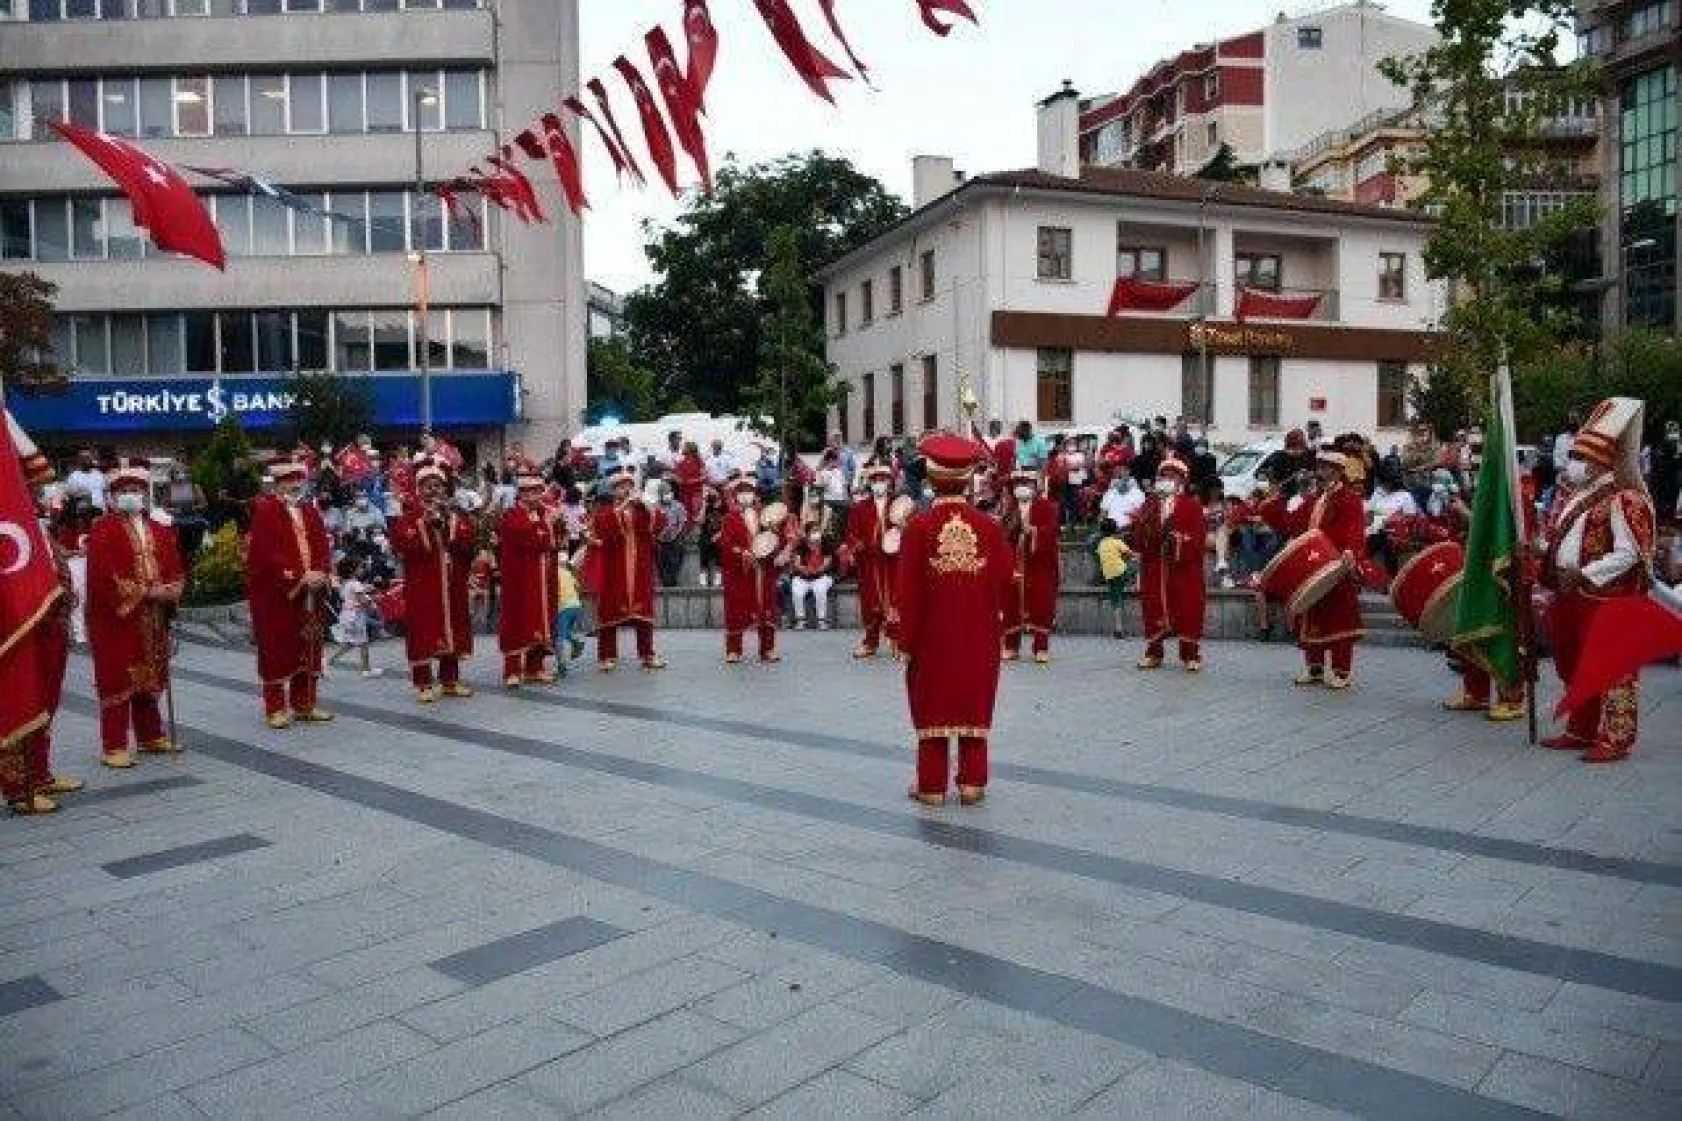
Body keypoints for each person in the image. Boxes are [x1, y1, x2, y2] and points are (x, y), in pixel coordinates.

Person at [896, 432, 1013, 807]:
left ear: (930, 479)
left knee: (934, 704)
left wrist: (905, 640)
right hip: (979, 635)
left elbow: (908, 592)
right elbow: (1005, 578)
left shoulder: (918, 528)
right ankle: (972, 783)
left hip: (933, 639)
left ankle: (931, 786)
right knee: (972, 703)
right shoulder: (990, 528)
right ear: (968, 479)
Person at [1539, 398, 1658, 763]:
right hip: (1573, 595)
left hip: (1608, 599)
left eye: (1582, 457)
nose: (1575, 464)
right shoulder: (1578, 497)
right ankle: (1581, 728)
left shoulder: (1625, 499)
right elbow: (1564, 540)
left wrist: (1585, 574)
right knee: (1575, 664)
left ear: (1599, 461)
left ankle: (1615, 739)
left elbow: (1630, 553)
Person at [3, 429, 84, 815]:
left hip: (50, 625)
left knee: (45, 701)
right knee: (18, 699)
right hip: (20, 627)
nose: (33, 490)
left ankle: (41, 771)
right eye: (23, 480)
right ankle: (19, 786)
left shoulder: (35, 525)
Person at [86, 466, 184, 768]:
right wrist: (146, 592)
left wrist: (174, 588)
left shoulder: (158, 528)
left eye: (135, 490)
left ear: (144, 493)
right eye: (123, 491)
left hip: (153, 617)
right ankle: (113, 744)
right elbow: (105, 577)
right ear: (113, 496)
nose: (130, 496)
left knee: (149, 675)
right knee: (119, 677)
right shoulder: (103, 529)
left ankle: (150, 735)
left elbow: (174, 564)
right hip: (119, 619)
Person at [1260, 450, 1368, 689]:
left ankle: (1342, 671)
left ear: (1339, 471)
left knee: (1339, 618)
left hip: (1337, 566)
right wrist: (1276, 498)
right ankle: (1315, 668)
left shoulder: (1349, 499)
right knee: (1312, 615)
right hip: (1313, 567)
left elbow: (1355, 529)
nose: (1322, 471)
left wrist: (1351, 552)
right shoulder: (1315, 500)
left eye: (1328, 467)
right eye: (1320, 467)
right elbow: (1290, 523)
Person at [246, 461, 334, 729]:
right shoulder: (265, 511)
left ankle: (305, 703)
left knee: (308, 644)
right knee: (277, 647)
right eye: (288, 480)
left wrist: (322, 572)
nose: (295, 485)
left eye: (298, 479)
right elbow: (266, 553)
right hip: (277, 594)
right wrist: (297, 575)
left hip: (312, 590)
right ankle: (275, 707)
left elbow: (322, 543)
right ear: (277, 483)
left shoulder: (309, 510)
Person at [390, 462, 477, 702]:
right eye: (427, 486)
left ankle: (450, 680)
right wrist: (424, 525)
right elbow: (404, 546)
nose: (433, 490)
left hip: (451, 585)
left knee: (453, 628)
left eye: (437, 485)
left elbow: (467, 543)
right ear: (419, 489)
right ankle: (423, 683)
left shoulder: (454, 514)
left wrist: (449, 525)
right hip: (423, 585)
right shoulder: (409, 518)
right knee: (423, 630)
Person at [588, 465, 666, 671]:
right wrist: (621, 508)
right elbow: (602, 529)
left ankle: (647, 654)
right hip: (614, 570)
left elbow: (660, 524)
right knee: (609, 610)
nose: (625, 490)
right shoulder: (606, 511)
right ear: (613, 490)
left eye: (628, 486)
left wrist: (647, 505)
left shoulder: (642, 509)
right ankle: (606, 656)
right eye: (621, 487)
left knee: (644, 613)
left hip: (640, 568)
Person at [1134, 457, 1208, 672]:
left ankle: (1191, 654)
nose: (1167, 480)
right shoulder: (1149, 505)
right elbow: (1140, 537)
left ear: (1181, 480)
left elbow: (1197, 538)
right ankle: (1154, 652)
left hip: (1183, 569)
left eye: (1172, 476)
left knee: (1187, 608)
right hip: (1156, 568)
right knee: (1154, 608)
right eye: (1164, 476)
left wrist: (1176, 540)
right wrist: (1145, 528)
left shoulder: (1191, 506)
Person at [718, 473, 788, 663]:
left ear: (755, 493)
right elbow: (725, 543)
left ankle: (767, 649)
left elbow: (777, 540)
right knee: (736, 608)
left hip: (763, 570)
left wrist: (775, 544)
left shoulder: (766, 515)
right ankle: (734, 650)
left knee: (767, 608)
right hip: (740, 572)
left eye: (748, 491)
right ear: (735, 495)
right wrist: (741, 553)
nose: (745, 495)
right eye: (741, 492)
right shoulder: (729, 518)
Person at [497, 475, 559, 689]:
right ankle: (512, 671)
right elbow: (532, 539)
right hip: (520, 579)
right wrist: (545, 526)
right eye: (528, 492)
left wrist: (552, 524)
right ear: (520, 494)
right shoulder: (512, 516)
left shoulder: (544, 514)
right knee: (517, 620)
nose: (533, 496)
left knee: (541, 620)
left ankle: (535, 667)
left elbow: (555, 540)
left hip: (544, 576)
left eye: (537, 491)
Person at [1001, 470, 1061, 663]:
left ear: (1036, 486)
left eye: (1027, 483)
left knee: (1041, 603)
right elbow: (1003, 533)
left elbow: (1052, 531)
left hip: (1038, 564)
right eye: (1019, 483)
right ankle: (1011, 646)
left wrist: (1034, 532)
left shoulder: (1047, 507)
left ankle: (1041, 647)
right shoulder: (1009, 508)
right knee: (1011, 604)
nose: (1022, 487)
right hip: (1015, 563)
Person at [843, 464, 901, 658]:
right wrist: (857, 545)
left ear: (890, 482)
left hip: (893, 562)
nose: (879, 484)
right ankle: (870, 642)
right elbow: (850, 533)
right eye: (875, 480)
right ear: (870, 483)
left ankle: (898, 643)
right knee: (870, 602)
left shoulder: (898, 505)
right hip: (869, 562)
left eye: (883, 480)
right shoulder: (860, 508)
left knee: (895, 600)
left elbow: (910, 529)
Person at [326, 556, 383, 678]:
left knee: (350, 643)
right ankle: (366, 670)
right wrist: (374, 599)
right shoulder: (356, 584)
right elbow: (362, 601)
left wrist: (366, 593)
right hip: (356, 616)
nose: (362, 569)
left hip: (347, 616)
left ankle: (329, 661)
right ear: (353, 570)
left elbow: (353, 597)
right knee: (363, 642)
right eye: (360, 567)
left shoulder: (345, 583)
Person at [789, 522, 836, 629]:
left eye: (817, 530)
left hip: (820, 577)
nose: (816, 533)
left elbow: (828, 561)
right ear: (807, 533)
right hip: (803, 577)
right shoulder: (801, 545)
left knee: (820, 590)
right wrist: (805, 569)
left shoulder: (825, 543)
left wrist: (818, 570)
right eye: (813, 531)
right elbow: (797, 563)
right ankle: (800, 621)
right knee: (797, 591)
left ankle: (822, 621)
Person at [1095, 517, 1135, 637]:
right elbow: (1129, 554)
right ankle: (1137, 583)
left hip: (1108, 574)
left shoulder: (1101, 544)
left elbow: (1100, 555)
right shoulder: (1117, 542)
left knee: (1115, 599)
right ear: (1115, 530)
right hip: (1121, 572)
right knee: (1136, 564)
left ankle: (1118, 628)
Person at [554, 549, 586, 670]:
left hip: (563, 608)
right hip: (576, 607)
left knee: (558, 636)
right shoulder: (568, 573)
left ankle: (561, 666)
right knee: (563, 631)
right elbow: (578, 587)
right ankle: (575, 642)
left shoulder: (553, 573)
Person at [1099, 466, 1146, 531]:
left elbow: (1141, 514)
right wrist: (1102, 523)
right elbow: (1103, 512)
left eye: (1124, 477)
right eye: (1118, 478)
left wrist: (1132, 517)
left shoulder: (1138, 494)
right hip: (1109, 527)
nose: (1119, 481)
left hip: (1127, 528)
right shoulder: (1110, 493)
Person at [695, 486, 725, 588]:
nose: (711, 494)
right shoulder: (706, 506)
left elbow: (727, 523)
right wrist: (704, 504)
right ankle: (703, 580)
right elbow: (700, 521)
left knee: (719, 560)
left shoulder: (724, 507)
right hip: (705, 536)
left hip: (719, 536)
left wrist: (719, 534)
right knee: (704, 559)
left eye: (713, 492)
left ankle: (718, 580)